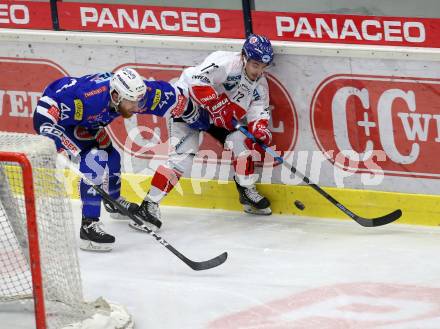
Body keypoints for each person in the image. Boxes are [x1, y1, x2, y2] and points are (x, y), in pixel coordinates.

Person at [33, 67, 199, 251]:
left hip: (88, 122)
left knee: (112, 156)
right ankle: (89, 226)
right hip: (63, 124)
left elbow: (172, 96)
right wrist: (49, 133)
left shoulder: (135, 92)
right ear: (115, 95)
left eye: (140, 100)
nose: (138, 107)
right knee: (95, 158)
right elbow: (47, 105)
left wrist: (197, 116)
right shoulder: (87, 97)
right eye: (132, 102)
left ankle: (114, 201)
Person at [131, 34, 275, 232]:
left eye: (262, 67)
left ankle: (246, 190)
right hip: (189, 108)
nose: (258, 71)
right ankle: (148, 206)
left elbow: (259, 108)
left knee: (242, 141)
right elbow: (194, 78)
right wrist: (215, 103)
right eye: (255, 65)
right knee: (182, 158)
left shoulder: (260, 83)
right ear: (244, 57)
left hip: (219, 117)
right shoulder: (225, 62)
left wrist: (259, 128)